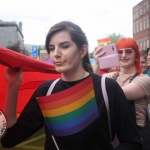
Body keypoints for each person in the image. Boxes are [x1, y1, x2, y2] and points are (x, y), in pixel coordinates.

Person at [1, 22, 142, 150]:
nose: (56, 53)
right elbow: (9, 139)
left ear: (82, 51)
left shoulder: (107, 88)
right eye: (51, 48)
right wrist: (12, 87)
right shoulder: (46, 91)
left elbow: (132, 143)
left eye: (64, 46)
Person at [93, 37, 150, 150]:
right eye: (119, 51)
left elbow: (115, 95)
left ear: (136, 55)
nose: (123, 55)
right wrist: (97, 63)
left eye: (129, 51)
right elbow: (92, 89)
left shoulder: (144, 79)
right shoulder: (110, 76)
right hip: (113, 138)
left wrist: (100, 86)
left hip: (137, 138)